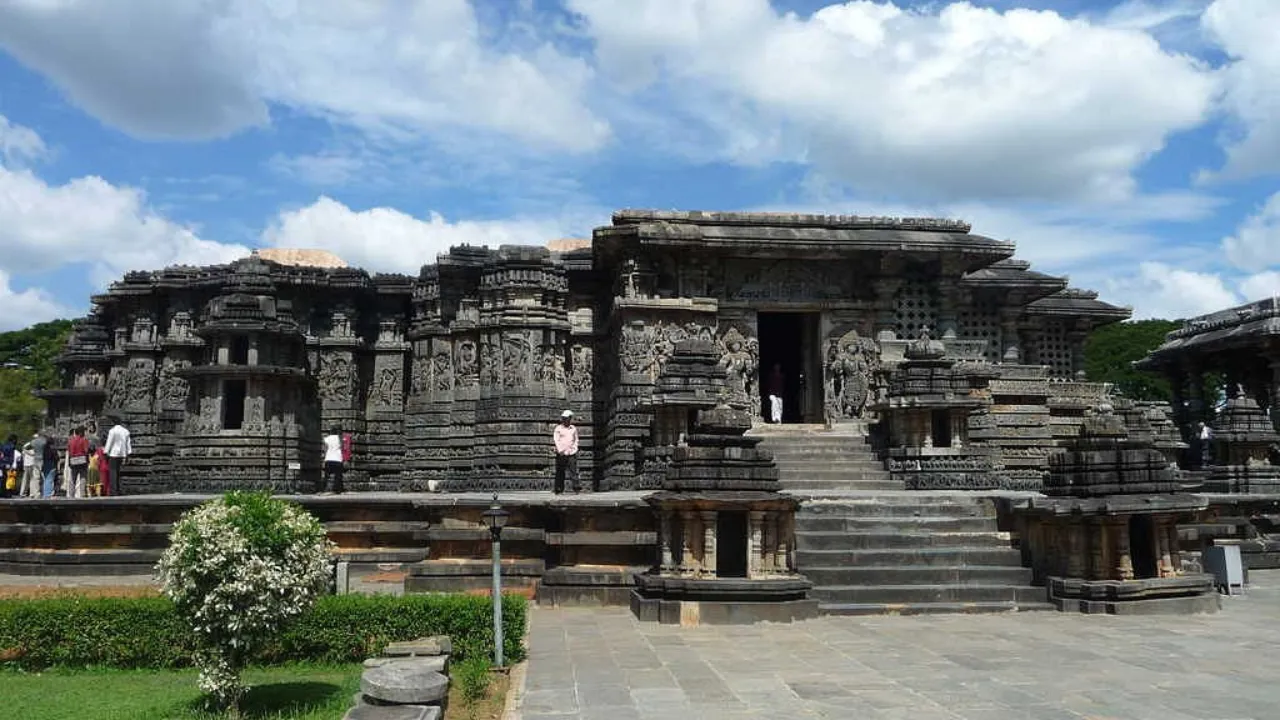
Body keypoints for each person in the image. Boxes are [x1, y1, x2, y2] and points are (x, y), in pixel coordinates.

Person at [553, 409, 580, 494]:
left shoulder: (573, 429)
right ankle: (559, 489)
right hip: (561, 453)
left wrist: (575, 448)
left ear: (570, 418)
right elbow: (556, 440)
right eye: (564, 418)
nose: (565, 419)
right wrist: (560, 450)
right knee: (560, 471)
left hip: (571, 453)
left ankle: (576, 488)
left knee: (573, 471)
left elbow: (576, 439)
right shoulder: (558, 428)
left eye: (567, 418)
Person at [103, 418, 132, 494]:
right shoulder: (126, 431)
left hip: (113, 454)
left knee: (113, 472)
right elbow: (128, 444)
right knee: (119, 472)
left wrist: (106, 452)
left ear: (113, 423)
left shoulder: (112, 431)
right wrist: (128, 454)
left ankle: (113, 490)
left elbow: (109, 442)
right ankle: (119, 489)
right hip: (122, 454)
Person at [66, 426, 90, 498]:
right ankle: (82, 494)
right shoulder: (84, 440)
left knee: (73, 478)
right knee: (83, 478)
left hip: (73, 460)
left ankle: (71, 495)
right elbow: (86, 451)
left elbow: (69, 452)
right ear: (81, 432)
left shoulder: (70, 440)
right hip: (82, 461)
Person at [321, 428, 345, 494]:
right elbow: (343, 446)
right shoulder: (340, 438)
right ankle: (337, 489)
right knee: (338, 476)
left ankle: (323, 488)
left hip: (329, 458)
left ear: (330, 432)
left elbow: (325, 445)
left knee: (326, 475)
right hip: (338, 459)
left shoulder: (327, 438)